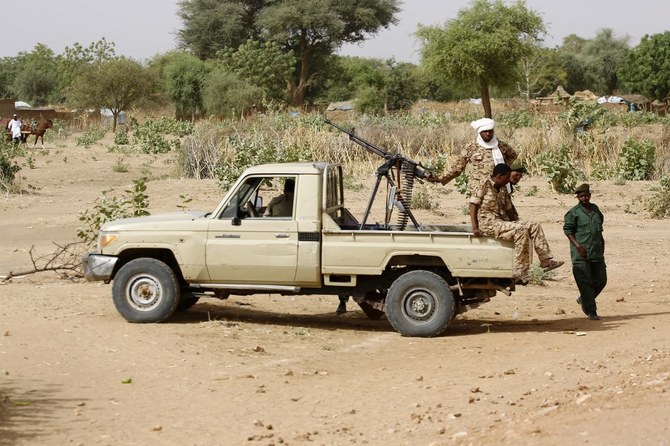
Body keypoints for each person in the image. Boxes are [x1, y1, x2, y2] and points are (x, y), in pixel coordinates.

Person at [470, 163, 564, 285]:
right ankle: (520, 271)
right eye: (506, 177)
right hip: (488, 223)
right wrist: (475, 227)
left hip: (501, 221)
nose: (508, 180)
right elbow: (473, 205)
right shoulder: (484, 184)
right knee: (520, 230)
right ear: (499, 176)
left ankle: (545, 260)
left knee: (533, 225)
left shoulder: (503, 188)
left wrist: (519, 222)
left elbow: (509, 209)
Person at [428, 118, 518, 196]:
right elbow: (458, 167)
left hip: (499, 187)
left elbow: (513, 156)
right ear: (480, 132)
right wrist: (440, 178)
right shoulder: (471, 147)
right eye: (485, 131)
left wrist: (503, 168)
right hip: (478, 188)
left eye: (490, 131)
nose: (488, 134)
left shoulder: (501, 145)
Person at [563, 183, 607, 320]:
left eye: (586, 195)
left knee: (601, 280)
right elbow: (568, 231)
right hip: (580, 253)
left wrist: (602, 242)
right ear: (577, 197)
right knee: (585, 282)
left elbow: (599, 226)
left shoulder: (595, 209)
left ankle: (584, 298)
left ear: (590, 195)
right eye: (581, 196)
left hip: (596, 251)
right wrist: (578, 246)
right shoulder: (573, 213)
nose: (584, 198)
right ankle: (591, 311)